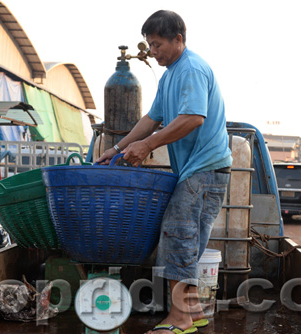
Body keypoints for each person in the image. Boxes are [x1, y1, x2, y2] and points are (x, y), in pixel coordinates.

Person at [96, 10, 232, 334]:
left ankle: (180, 318)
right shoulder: (171, 74)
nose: (153, 51)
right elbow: (151, 119)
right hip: (199, 170)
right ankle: (194, 311)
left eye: (157, 44)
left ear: (178, 39)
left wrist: (148, 146)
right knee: (187, 236)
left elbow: (193, 117)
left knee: (178, 233)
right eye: (150, 45)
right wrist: (116, 149)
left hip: (206, 168)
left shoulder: (192, 69)